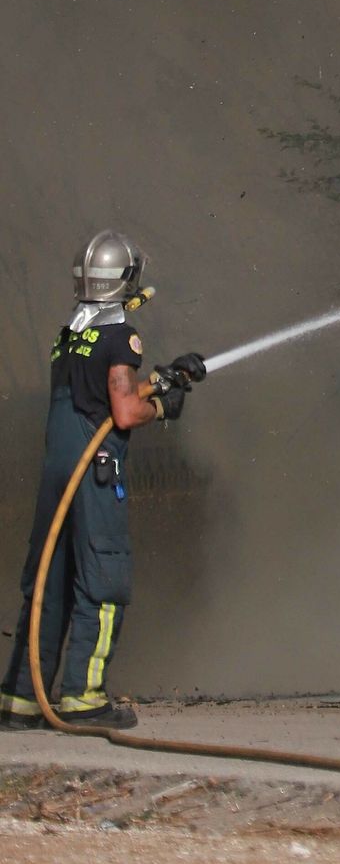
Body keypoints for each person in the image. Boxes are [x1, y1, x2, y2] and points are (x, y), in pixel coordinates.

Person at [0, 231, 205, 731]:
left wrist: (164, 377)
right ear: (124, 281)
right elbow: (121, 409)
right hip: (94, 473)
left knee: (49, 577)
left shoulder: (69, 335)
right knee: (103, 578)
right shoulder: (120, 335)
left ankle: (22, 700)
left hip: (58, 472)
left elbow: (94, 395)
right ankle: (83, 698)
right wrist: (160, 406)